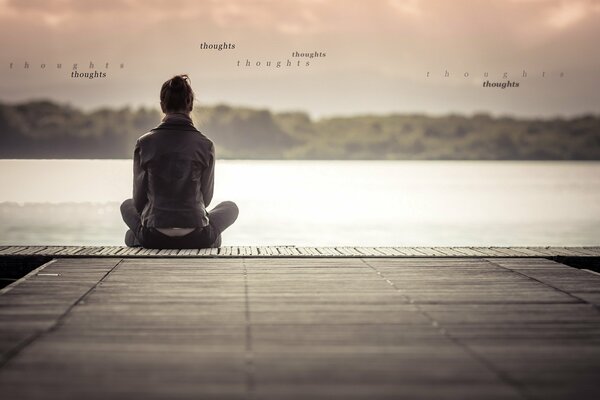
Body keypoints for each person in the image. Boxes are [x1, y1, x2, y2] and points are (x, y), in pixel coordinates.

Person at [120, 74, 238, 249]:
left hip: (155, 237)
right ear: (190, 104)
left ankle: (139, 237)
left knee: (126, 208)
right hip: (196, 236)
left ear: (162, 106)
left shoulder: (144, 143)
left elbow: (138, 202)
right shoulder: (206, 145)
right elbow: (206, 199)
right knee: (230, 208)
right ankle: (211, 238)